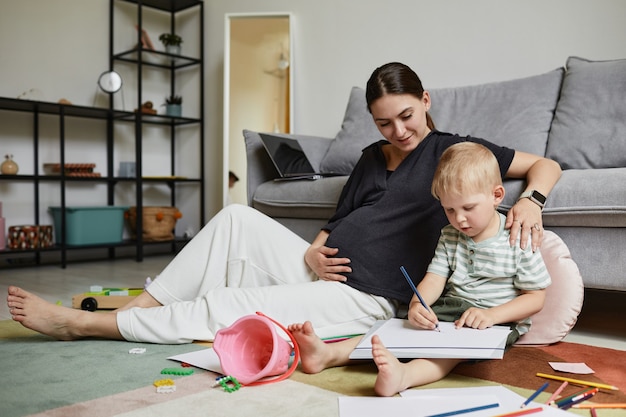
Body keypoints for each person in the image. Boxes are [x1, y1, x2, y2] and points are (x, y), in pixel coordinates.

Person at [6, 62, 561, 346]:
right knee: (236, 220)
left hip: (371, 299)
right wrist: (316, 253)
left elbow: (546, 165)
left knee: (233, 301)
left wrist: (532, 200)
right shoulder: (372, 156)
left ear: (425, 102)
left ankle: (86, 328)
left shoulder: (455, 152)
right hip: (324, 270)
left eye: (407, 116)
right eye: (385, 122)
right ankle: (136, 311)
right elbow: (339, 221)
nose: (399, 131)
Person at [288, 141, 551, 396]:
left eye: (468, 208)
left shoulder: (517, 236)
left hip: (496, 322)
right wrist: (417, 304)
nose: (459, 218)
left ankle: (405, 376)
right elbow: (434, 278)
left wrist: (492, 315)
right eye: (449, 209)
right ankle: (327, 354)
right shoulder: (450, 234)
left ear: (496, 196)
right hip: (450, 309)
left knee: (447, 352)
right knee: (396, 330)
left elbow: (535, 298)